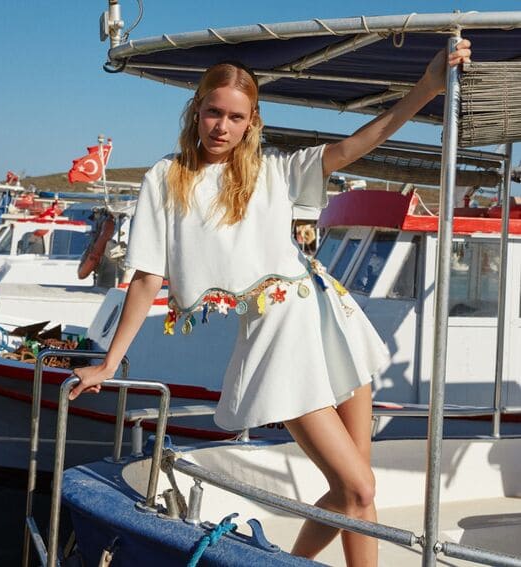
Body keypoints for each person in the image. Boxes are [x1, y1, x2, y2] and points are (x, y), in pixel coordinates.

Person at [70, 39, 471, 566]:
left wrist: (427, 88)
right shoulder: (165, 179)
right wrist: (109, 362)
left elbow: (358, 145)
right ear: (196, 111)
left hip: (333, 320)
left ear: (250, 121)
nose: (221, 127)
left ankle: (290, 561)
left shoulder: (272, 173)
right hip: (278, 342)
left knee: (356, 489)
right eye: (213, 112)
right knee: (358, 489)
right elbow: (147, 277)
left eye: (235, 117)